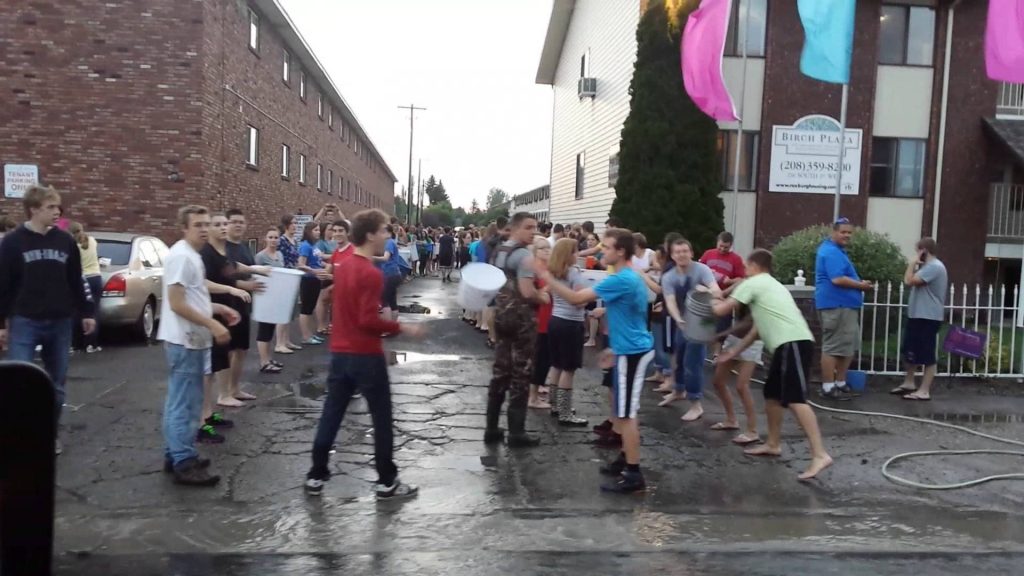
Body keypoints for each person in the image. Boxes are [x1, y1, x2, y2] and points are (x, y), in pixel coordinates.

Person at [304, 209, 426, 500]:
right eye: (384, 230)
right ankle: (387, 481)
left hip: (340, 354)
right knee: (381, 418)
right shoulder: (371, 274)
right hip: (366, 356)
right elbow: (367, 321)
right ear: (370, 234)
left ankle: (316, 475)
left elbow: (336, 299)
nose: (388, 235)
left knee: (332, 413)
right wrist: (402, 327)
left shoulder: (343, 265)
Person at [540, 228, 654, 493]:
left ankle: (634, 474)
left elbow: (577, 298)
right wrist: (615, 348)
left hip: (632, 352)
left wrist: (548, 277)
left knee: (626, 414)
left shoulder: (620, 279)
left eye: (608, 247)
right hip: (628, 349)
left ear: (621, 252)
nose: (602, 251)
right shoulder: (627, 277)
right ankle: (626, 458)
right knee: (621, 410)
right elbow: (631, 314)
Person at [712, 249, 833, 481]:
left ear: (754, 266)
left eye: (746, 268)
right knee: (772, 395)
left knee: (796, 399)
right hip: (787, 345)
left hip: (793, 343)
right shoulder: (772, 286)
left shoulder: (754, 282)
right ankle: (773, 444)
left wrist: (705, 296)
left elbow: (720, 310)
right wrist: (733, 353)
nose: (745, 272)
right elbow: (757, 329)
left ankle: (819, 454)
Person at [0, 185, 95, 455]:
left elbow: (76, 279)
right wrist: (0, 325)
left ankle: (48, 433)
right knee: (19, 381)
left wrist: (87, 312)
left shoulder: (65, 241)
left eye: (59, 207)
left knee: (57, 382)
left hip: (60, 321)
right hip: (24, 321)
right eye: (51, 207)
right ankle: (19, 435)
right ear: (34, 209)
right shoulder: (13, 242)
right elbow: (3, 284)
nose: (58, 212)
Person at [158, 205, 242, 486]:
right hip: (184, 340)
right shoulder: (181, 257)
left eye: (207, 224)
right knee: (183, 403)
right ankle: (183, 461)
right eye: (199, 225)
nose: (205, 229)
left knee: (186, 400)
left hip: (192, 339)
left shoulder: (192, 256)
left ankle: (178, 453)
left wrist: (217, 309)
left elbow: (194, 297)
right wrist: (213, 324)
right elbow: (177, 303)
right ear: (184, 228)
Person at [483, 212, 548, 447]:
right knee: (521, 372)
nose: (534, 231)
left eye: (536, 227)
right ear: (516, 228)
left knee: (501, 370)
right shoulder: (524, 256)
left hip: (502, 316)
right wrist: (544, 296)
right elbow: (528, 292)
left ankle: (491, 428)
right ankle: (517, 432)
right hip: (521, 320)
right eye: (529, 227)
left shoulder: (500, 251)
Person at [198, 215, 260, 441]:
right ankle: (203, 421)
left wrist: (260, 270)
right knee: (208, 369)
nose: (222, 228)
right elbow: (201, 283)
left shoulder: (222, 253)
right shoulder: (203, 254)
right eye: (217, 225)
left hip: (226, 311)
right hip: (208, 315)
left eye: (223, 224)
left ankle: (209, 414)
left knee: (214, 366)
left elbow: (235, 268)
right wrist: (233, 290)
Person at [658, 237, 720, 422]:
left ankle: (696, 404)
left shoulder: (702, 269)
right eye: (677, 252)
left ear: (691, 253)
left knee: (693, 364)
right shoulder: (669, 277)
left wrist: (707, 291)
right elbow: (669, 301)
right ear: (672, 255)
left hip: (700, 324)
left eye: (685, 251)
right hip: (682, 323)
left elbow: (716, 290)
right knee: (678, 359)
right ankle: (678, 391)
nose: (682, 254)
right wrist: (678, 319)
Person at [815, 217, 873, 399]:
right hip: (836, 306)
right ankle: (827, 387)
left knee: (847, 346)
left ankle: (840, 382)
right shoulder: (831, 252)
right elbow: (837, 279)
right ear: (834, 232)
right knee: (832, 347)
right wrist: (860, 285)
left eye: (849, 232)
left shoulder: (838, 251)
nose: (847, 235)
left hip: (845, 306)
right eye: (843, 232)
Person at [893, 237, 948, 401]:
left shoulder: (935, 267)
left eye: (918, 251)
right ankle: (909, 382)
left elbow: (909, 280)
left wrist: (912, 263)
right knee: (911, 349)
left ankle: (924, 391)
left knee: (926, 353)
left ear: (923, 250)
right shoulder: (927, 267)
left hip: (928, 316)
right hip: (917, 314)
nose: (916, 254)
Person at [224, 209, 270, 402]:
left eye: (241, 222)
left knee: (241, 349)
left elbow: (250, 272)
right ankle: (224, 392)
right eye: (234, 221)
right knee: (227, 350)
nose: (238, 225)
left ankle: (235, 389)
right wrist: (246, 285)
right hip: (226, 304)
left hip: (245, 304)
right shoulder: (222, 248)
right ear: (226, 224)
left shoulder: (244, 247)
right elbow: (222, 277)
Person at [546, 238, 589, 426]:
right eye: (575, 251)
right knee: (569, 368)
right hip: (571, 323)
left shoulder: (554, 273)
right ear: (569, 254)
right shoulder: (574, 274)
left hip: (555, 320)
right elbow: (578, 300)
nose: (578, 254)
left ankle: (554, 404)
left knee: (556, 364)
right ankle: (565, 413)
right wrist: (590, 297)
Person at [709, 301, 762, 445]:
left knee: (742, 386)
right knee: (718, 381)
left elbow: (749, 321)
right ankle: (731, 420)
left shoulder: (761, 292)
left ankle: (752, 430)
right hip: (734, 338)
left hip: (753, 342)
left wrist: (721, 334)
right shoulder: (741, 287)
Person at [699, 231, 746, 356]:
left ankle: (717, 353)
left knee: (722, 326)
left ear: (731, 245)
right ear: (717, 242)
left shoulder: (736, 259)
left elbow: (741, 279)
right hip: (707, 295)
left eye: (726, 247)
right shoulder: (708, 254)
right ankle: (701, 351)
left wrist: (729, 280)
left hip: (725, 297)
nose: (722, 249)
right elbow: (699, 270)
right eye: (720, 246)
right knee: (705, 325)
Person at [254, 227, 285, 373]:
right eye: (270, 237)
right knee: (264, 330)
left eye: (276, 237)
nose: (273, 240)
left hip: (277, 296)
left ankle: (269, 358)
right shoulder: (261, 256)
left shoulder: (279, 254)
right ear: (266, 239)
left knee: (271, 329)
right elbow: (255, 274)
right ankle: (263, 362)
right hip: (265, 297)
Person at [69, 221, 103, 354]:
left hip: (82, 279)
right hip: (95, 278)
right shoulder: (93, 241)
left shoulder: (73, 246)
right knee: (93, 312)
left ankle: (75, 344)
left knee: (76, 312)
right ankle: (92, 344)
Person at [529, 237, 554, 411]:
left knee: (545, 358)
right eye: (542, 248)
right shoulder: (533, 271)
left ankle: (538, 388)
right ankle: (532, 397)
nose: (546, 251)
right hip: (538, 319)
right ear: (535, 251)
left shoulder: (549, 269)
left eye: (548, 248)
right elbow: (531, 295)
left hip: (550, 318)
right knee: (538, 359)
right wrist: (548, 289)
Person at [297, 222, 332, 345]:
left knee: (311, 308)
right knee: (306, 309)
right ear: (309, 231)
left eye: (318, 230)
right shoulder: (305, 246)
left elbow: (317, 261)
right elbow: (301, 265)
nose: (318, 232)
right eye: (315, 230)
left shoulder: (314, 246)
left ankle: (310, 334)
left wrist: (325, 265)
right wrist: (314, 271)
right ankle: (306, 336)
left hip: (316, 280)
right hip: (308, 280)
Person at [276, 215, 304, 353]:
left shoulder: (295, 241)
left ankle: (286, 340)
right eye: (292, 223)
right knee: (282, 311)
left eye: (296, 223)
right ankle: (279, 343)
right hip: (284, 278)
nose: (295, 225)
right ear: (286, 225)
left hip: (294, 277)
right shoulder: (282, 241)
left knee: (289, 312)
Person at [373, 224, 404, 323]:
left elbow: (385, 258)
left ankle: (386, 327)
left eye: (383, 232)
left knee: (383, 300)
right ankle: (393, 324)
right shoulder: (391, 242)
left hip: (390, 274)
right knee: (392, 301)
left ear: (389, 233)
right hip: (395, 274)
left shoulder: (389, 242)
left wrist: (371, 257)